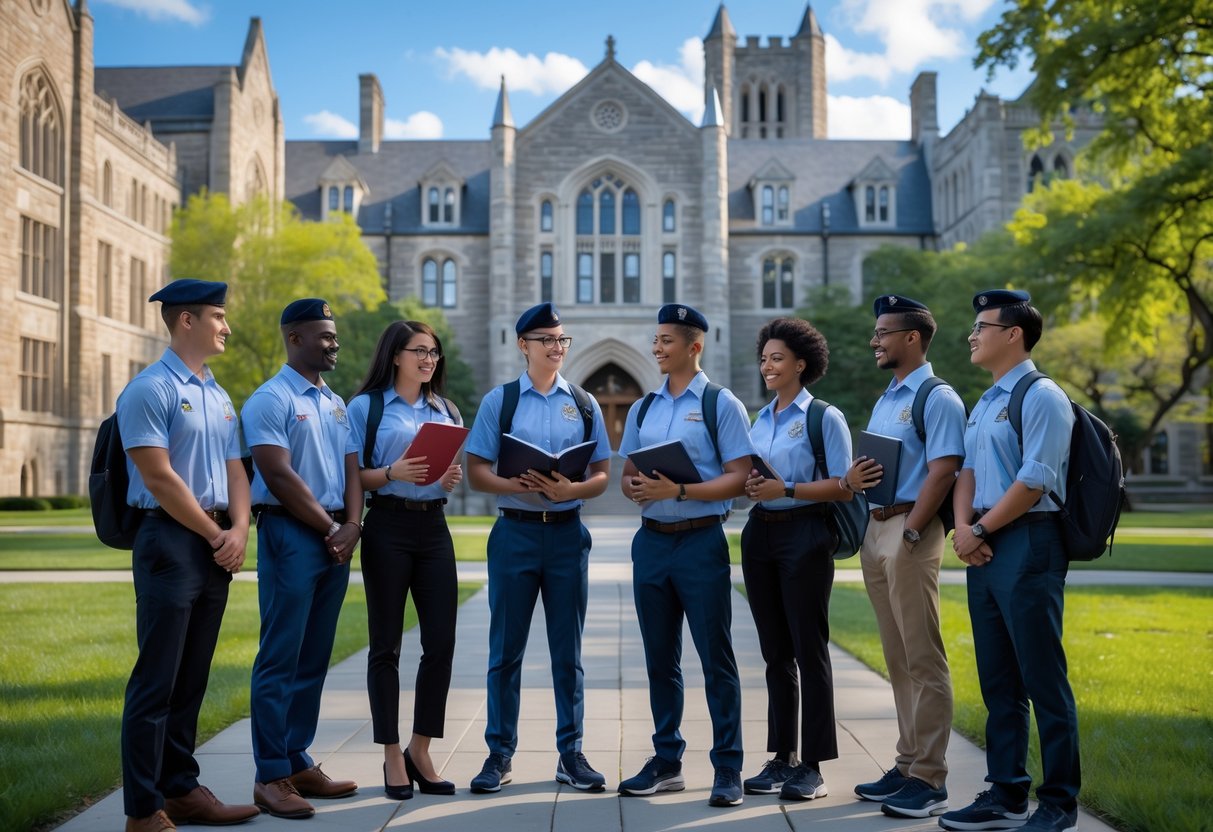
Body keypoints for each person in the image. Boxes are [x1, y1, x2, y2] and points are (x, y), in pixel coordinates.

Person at [117, 278, 260, 832]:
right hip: (171, 541)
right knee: (157, 681)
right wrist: (213, 533)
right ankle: (141, 810)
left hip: (213, 541)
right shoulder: (148, 390)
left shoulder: (217, 393)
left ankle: (180, 789)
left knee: (192, 677)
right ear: (187, 322)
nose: (227, 327)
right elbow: (158, 477)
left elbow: (234, 470)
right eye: (219, 317)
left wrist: (240, 528)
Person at [940, 289, 1079, 832]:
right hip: (986, 540)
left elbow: (1034, 480)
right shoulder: (987, 398)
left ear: (1013, 334)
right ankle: (1005, 792)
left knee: (1043, 679)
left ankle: (1060, 803)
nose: (972, 335)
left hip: (1028, 541)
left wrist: (977, 528)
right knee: (998, 680)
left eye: (982, 326)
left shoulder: (1043, 396)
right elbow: (967, 470)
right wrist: (963, 531)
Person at [464, 302, 613, 794]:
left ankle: (571, 754)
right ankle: (498, 755)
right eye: (547, 340)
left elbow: (600, 474)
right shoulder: (499, 402)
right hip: (516, 534)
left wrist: (571, 491)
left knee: (567, 653)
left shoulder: (586, 402)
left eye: (562, 340)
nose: (557, 348)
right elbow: (478, 472)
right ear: (523, 345)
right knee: (505, 650)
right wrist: (517, 484)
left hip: (568, 534)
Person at [617, 304, 753, 808]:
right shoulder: (643, 407)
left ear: (694, 346)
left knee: (716, 659)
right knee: (659, 658)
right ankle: (667, 760)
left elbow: (739, 476)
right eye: (655, 341)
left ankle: (728, 767)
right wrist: (634, 487)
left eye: (666, 341)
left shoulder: (722, 404)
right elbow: (629, 469)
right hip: (650, 542)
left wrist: (680, 492)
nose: (656, 349)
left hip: (701, 541)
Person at [843, 295, 965, 819]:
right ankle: (907, 761)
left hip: (910, 530)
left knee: (923, 657)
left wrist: (913, 532)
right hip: (877, 528)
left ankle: (931, 779)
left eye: (883, 332)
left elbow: (943, 471)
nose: (875, 340)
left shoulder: (937, 397)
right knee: (896, 658)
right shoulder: (889, 395)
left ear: (912, 338)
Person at [242, 299, 363, 820]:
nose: (334, 344)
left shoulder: (335, 402)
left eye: (334, 336)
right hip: (293, 534)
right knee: (280, 656)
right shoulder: (269, 400)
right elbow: (277, 474)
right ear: (294, 338)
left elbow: (352, 467)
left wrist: (353, 525)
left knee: (314, 655)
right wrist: (332, 527)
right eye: (324, 336)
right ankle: (270, 775)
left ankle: (297, 758)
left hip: (336, 535)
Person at [346, 320, 463, 800]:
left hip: (434, 527)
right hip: (387, 527)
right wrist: (392, 472)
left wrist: (448, 479)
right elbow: (352, 478)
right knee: (386, 647)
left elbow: (444, 470)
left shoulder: (447, 409)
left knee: (441, 643)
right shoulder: (365, 408)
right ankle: (392, 752)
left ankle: (421, 747)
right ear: (395, 355)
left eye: (433, 352)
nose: (428, 359)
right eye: (419, 351)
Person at [740, 316, 854, 802]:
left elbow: (847, 486)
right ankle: (782, 757)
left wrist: (784, 487)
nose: (768, 366)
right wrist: (752, 487)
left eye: (777, 358)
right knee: (774, 653)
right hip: (759, 534)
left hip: (806, 534)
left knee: (811, 650)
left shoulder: (823, 417)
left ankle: (813, 765)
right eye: (764, 358)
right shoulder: (759, 419)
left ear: (801, 364)